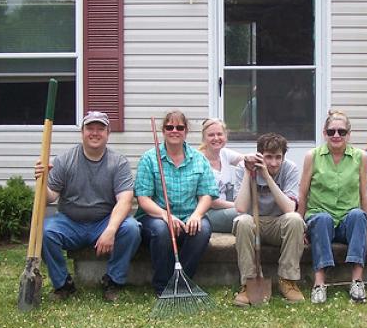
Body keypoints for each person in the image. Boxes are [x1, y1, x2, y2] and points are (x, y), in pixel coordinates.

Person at [37, 111, 141, 302]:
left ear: (108, 133)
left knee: (132, 229)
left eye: (100, 129)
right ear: (82, 132)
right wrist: (42, 182)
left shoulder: (118, 163)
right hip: (70, 222)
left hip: (103, 222)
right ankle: (63, 284)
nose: (95, 133)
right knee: (44, 231)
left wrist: (110, 230)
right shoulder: (65, 160)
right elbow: (50, 197)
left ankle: (112, 281)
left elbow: (125, 201)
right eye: (90, 128)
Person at [134, 110, 219, 296]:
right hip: (156, 217)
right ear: (163, 131)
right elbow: (143, 198)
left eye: (179, 127)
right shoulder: (150, 158)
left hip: (189, 215)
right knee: (163, 229)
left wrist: (196, 215)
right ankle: (163, 285)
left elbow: (207, 194)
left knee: (202, 229)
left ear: (186, 131)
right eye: (169, 127)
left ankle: (181, 283)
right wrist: (165, 215)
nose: (174, 130)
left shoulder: (199, 159)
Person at [298, 110, 367, 304]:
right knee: (322, 218)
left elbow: (364, 193)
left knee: (358, 215)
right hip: (320, 218)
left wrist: (365, 224)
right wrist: (300, 224)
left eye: (341, 131)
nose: (336, 135)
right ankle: (319, 283)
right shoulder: (312, 156)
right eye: (331, 132)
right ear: (324, 133)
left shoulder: (360, 157)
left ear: (349, 134)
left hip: (347, 220)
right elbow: (302, 193)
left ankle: (357, 281)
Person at [232, 133, 305, 306]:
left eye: (278, 157)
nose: (273, 162)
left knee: (295, 219)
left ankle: (287, 281)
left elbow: (289, 208)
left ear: (284, 156)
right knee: (242, 221)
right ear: (260, 155)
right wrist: (249, 172)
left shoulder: (290, 169)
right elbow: (241, 208)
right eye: (268, 157)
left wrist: (267, 177)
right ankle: (248, 283)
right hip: (253, 224)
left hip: (277, 224)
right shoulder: (243, 168)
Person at [199, 118, 244, 233]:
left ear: (225, 136)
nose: (216, 138)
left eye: (219, 134)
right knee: (245, 215)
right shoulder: (199, 161)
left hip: (225, 205)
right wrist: (238, 206)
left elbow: (246, 160)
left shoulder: (224, 153)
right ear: (204, 138)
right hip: (207, 212)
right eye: (211, 135)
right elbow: (212, 202)